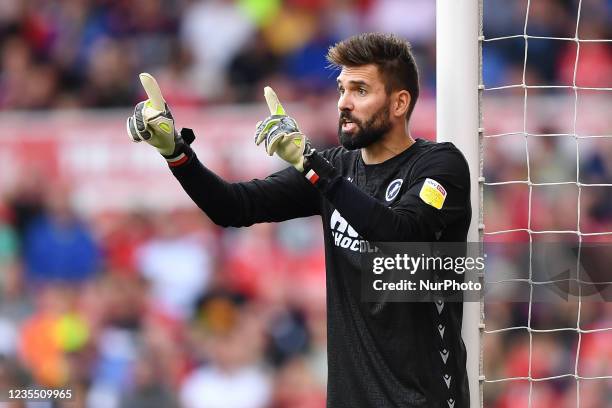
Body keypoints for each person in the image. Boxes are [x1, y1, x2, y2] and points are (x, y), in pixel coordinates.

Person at [127, 33, 471, 408]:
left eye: (360, 90)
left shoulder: (440, 166)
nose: (343, 103)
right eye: (342, 89)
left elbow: (400, 236)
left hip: (423, 400)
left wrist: (311, 165)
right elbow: (234, 206)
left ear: (399, 102)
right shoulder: (336, 169)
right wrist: (176, 152)